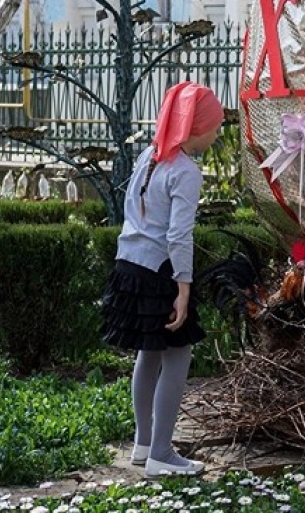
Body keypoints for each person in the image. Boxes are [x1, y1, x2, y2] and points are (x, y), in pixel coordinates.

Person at [101, 81, 225, 477]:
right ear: (196, 127)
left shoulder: (148, 157)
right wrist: (184, 289)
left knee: (149, 353)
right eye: (215, 126)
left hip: (130, 265)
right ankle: (162, 453)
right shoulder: (185, 170)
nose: (218, 133)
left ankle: (143, 445)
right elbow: (178, 235)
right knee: (178, 354)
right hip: (160, 271)